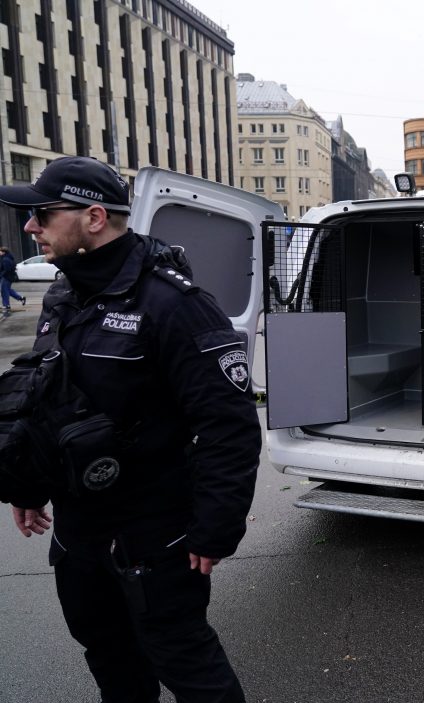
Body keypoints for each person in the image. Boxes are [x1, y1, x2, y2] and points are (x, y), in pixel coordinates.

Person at [0, 156, 261, 702]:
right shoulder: (64, 294)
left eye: (43, 214)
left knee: (187, 663)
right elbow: (46, 399)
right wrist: (27, 486)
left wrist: (216, 527)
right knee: (108, 655)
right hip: (79, 531)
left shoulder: (176, 305)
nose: (30, 226)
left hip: (154, 534)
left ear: (94, 218)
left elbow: (228, 427)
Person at [0, 245, 27, 313]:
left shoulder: (5, 259)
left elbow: (7, 270)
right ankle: (21, 298)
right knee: (8, 290)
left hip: (6, 277)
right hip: (9, 277)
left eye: (0, 251)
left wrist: (1, 275)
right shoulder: (8, 258)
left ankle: (6, 305)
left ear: (3, 252)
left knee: (4, 291)